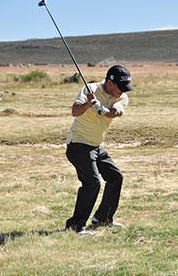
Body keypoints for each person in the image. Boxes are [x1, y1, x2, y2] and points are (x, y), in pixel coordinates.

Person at [65, 65, 133, 235]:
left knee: (115, 177)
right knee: (93, 183)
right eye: (120, 87)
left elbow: (114, 113)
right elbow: (75, 111)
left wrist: (101, 109)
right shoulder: (91, 89)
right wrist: (88, 103)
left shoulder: (122, 97)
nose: (122, 92)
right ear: (110, 82)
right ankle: (75, 225)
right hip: (78, 144)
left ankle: (103, 218)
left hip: (97, 145)